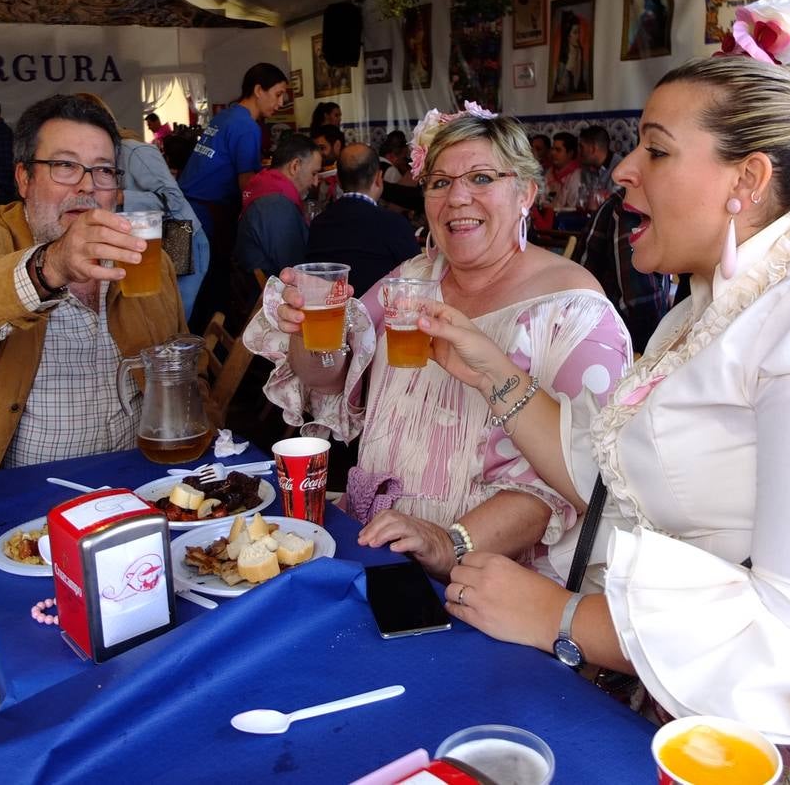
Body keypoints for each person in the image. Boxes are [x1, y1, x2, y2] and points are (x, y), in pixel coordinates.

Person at [425, 53, 790, 783]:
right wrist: (493, 372)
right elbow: (612, 476)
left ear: (746, 180)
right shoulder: (714, 304)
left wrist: (560, 618)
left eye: (655, 150)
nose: (624, 171)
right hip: (698, 684)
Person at [244, 107, 631, 583]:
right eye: (439, 182)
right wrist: (305, 326)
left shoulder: (576, 312)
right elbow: (329, 375)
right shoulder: (410, 279)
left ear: (526, 193)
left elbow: (580, 477)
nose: (457, 198)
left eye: (482, 177)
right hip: (380, 545)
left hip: (488, 581)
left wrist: (449, 542)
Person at [0, 95, 186, 495]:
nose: (87, 185)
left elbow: (181, 369)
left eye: (103, 170)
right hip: (23, 506)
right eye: (65, 166)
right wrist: (49, 267)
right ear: (23, 178)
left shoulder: (146, 258)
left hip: (141, 490)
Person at [76, 93, 209, 324]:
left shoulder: (134, 151)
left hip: (179, 239)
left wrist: (119, 196)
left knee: (170, 320)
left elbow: (173, 200)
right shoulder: (91, 161)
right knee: (147, 318)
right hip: (143, 245)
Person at [179, 63, 289, 329]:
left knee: (180, 292)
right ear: (258, 90)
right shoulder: (247, 127)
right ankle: (205, 358)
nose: (281, 102)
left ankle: (179, 350)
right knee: (208, 291)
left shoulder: (224, 117)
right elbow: (247, 184)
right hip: (205, 220)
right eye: (278, 94)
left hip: (180, 213)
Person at [306, 143, 420, 296]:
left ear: (338, 180)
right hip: (379, 318)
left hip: (331, 313)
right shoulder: (394, 224)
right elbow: (419, 276)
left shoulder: (318, 224)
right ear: (379, 178)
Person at [577, 187, 670, 354]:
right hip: (609, 350)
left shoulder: (645, 203)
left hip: (602, 340)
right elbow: (640, 307)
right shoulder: (632, 207)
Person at [234, 134, 321, 279]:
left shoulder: (268, 190)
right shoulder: (275, 205)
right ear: (295, 166)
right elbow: (294, 270)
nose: (315, 182)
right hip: (277, 294)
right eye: (314, 173)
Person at [577, 124, 620, 213]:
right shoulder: (586, 169)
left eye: (581, 147)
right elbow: (582, 201)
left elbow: (616, 204)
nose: (579, 152)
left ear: (593, 148)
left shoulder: (620, 168)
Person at [552, 12, 590, 97]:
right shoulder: (562, 60)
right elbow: (560, 88)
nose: (578, 36)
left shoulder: (579, 51)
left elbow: (579, 83)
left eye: (579, 32)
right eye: (575, 32)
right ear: (568, 36)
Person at [545, 131, 582, 213]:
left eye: (558, 150)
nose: (553, 153)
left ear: (570, 154)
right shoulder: (550, 172)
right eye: (553, 149)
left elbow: (572, 206)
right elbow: (546, 201)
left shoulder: (577, 175)